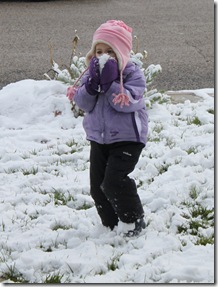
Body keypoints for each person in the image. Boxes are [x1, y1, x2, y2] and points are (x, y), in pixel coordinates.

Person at [66, 20, 148, 237]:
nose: (103, 56)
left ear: (121, 53)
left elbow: (127, 102)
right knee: (97, 187)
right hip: (99, 140)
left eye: (110, 52)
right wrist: (92, 85)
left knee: (114, 182)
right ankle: (110, 225)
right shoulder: (91, 76)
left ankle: (133, 221)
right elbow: (83, 103)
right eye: (99, 51)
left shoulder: (133, 75)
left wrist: (110, 83)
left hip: (128, 139)